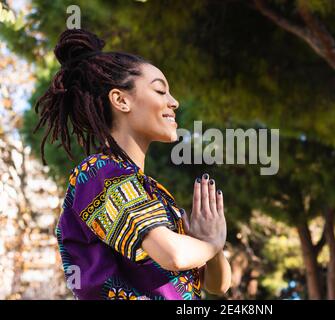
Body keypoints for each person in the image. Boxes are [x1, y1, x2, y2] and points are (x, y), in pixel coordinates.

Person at [33, 28, 231, 300]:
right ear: (121, 100)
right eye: (160, 90)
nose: (173, 102)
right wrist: (210, 243)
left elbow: (217, 285)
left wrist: (212, 246)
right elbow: (173, 255)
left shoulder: (149, 190)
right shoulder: (99, 174)